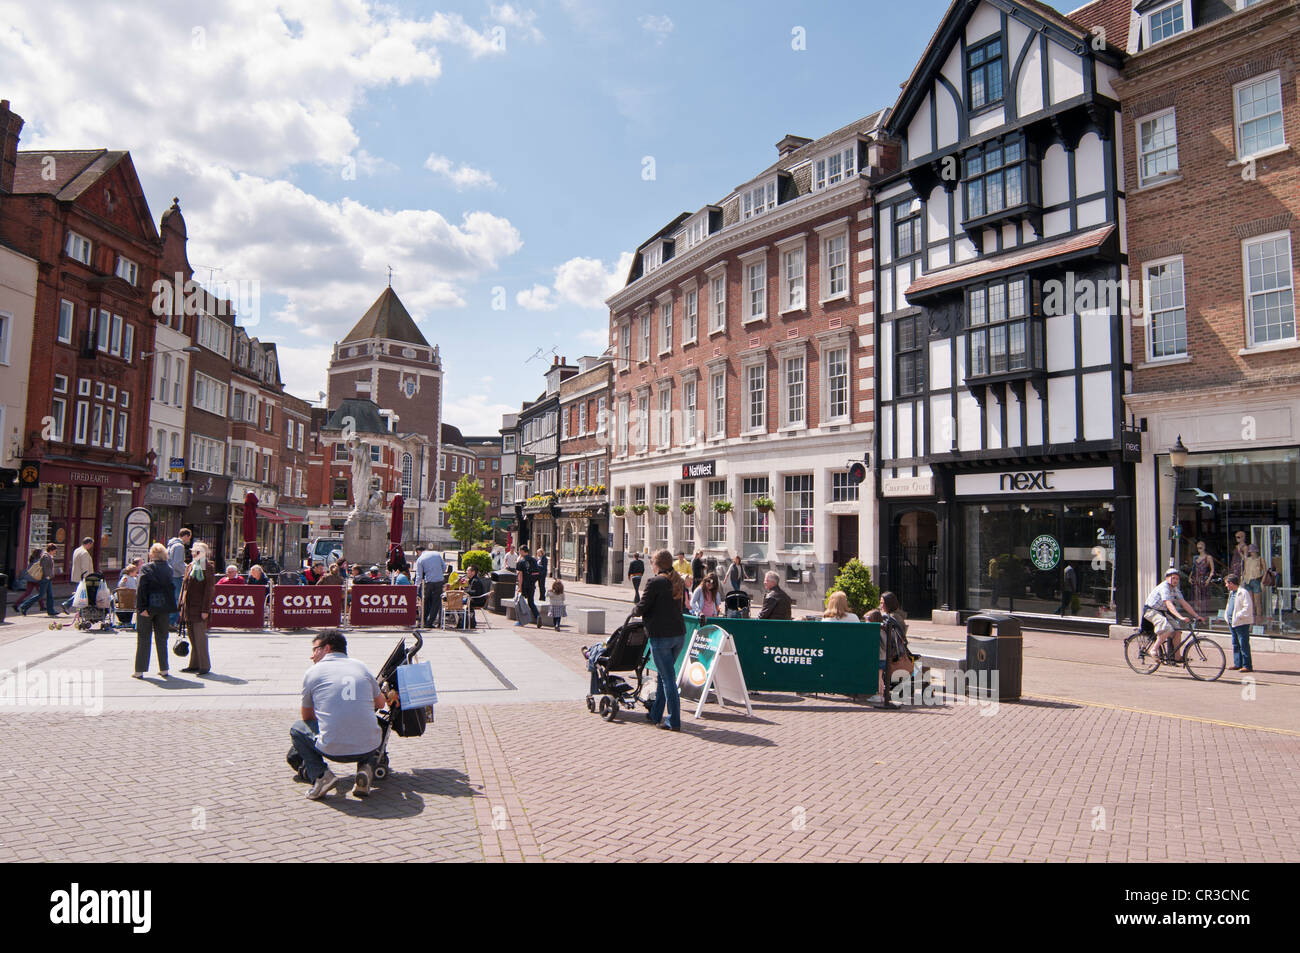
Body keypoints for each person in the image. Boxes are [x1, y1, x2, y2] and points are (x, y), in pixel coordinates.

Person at [291, 629, 386, 800]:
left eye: (314, 650)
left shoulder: (313, 672)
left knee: (297, 729)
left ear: (326, 648)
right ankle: (366, 768)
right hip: (367, 746)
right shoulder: (361, 667)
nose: (312, 656)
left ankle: (321, 776)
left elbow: (307, 718)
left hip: (333, 749)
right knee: (371, 726)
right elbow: (381, 704)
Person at [636, 550, 688, 732]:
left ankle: (674, 721)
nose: (650, 565)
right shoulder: (677, 580)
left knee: (668, 679)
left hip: (661, 637)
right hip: (678, 635)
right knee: (664, 676)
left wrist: (634, 610)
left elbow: (642, 607)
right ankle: (656, 714)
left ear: (656, 564)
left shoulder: (655, 582)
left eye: (651, 562)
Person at [1143, 567, 1204, 663]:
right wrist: (1180, 617)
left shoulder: (1175, 589)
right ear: (1167, 578)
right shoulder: (1164, 587)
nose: (1175, 580)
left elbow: (1184, 603)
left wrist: (1196, 616)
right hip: (1151, 611)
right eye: (1173, 578)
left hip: (1162, 611)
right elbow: (1169, 604)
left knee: (1178, 631)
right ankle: (1153, 650)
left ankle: (1177, 657)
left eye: (1177, 578)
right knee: (1167, 628)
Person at [134, 543, 176, 679]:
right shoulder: (169, 569)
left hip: (148, 607)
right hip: (164, 608)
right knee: (162, 637)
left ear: (152, 554)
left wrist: (141, 608)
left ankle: (139, 670)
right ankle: (164, 668)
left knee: (144, 638)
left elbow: (141, 588)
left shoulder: (146, 568)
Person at [179, 541, 216, 675]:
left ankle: (204, 665)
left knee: (200, 637)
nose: (194, 554)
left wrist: (205, 610)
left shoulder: (207, 566)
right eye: (193, 551)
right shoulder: (190, 566)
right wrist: (180, 605)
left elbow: (209, 590)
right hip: (188, 607)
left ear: (205, 554)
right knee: (192, 637)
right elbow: (184, 587)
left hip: (199, 607)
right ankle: (194, 664)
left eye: (198, 552)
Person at [878, 592, 910, 706]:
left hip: (892, 651)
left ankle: (879, 691)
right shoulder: (896, 616)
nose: (880, 605)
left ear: (888, 604)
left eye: (882, 603)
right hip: (895, 649)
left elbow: (888, 640)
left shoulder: (891, 618)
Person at [1223, 573, 1254, 673]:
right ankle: (1237, 663)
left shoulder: (1243, 592)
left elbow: (1247, 607)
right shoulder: (1232, 593)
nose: (1226, 586)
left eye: (1227, 584)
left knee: (1243, 644)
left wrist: (1238, 615)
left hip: (1241, 623)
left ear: (1231, 583)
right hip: (1233, 623)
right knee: (1235, 643)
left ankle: (1247, 665)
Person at [413, 543, 448, 628]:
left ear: (418, 552)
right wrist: (438, 573)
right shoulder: (436, 554)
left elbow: (419, 576)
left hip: (428, 583)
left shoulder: (420, 559)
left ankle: (423, 621)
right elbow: (444, 567)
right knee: (436, 603)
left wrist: (416, 587)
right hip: (439, 581)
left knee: (425, 602)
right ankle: (430, 622)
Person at [60, 536, 96, 615]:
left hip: (76, 575)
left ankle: (78, 610)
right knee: (82, 593)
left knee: (80, 593)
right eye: (91, 545)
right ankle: (67, 604)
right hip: (83, 577)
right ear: (89, 544)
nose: (91, 547)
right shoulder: (84, 553)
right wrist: (88, 577)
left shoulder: (77, 550)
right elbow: (85, 567)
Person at [18, 545, 58, 617]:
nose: (55, 552)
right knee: (40, 595)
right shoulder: (46, 557)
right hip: (45, 579)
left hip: (47, 579)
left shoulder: (48, 556)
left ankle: (51, 610)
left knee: (50, 595)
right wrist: (48, 576)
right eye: (55, 550)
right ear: (51, 550)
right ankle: (24, 606)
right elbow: (45, 568)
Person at [165, 528, 192, 625]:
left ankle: (168, 620)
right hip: (176, 576)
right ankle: (172, 621)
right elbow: (177, 563)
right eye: (189, 538)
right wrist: (186, 572)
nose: (188, 540)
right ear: (186, 536)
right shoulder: (179, 546)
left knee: (172, 598)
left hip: (170, 575)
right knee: (177, 599)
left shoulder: (171, 545)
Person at [515, 545, 541, 627]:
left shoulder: (521, 562)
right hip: (532, 584)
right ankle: (537, 616)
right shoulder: (533, 560)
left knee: (519, 603)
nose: (519, 552)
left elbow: (520, 575)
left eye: (519, 551)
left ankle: (521, 621)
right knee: (531, 602)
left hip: (524, 584)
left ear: (522, 551)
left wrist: (520, 587)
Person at [1242, 544, 1266, 616]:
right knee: (1250, 601)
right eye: (1251, 551)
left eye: (1253, 551)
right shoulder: (1247, 560)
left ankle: (1259, 617)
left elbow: (1265, 571)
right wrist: (1242, 579)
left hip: (1256, 580)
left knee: (1257, 602)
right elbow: (1245, 570)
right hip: (1247, 580)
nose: (1252, 553)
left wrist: (1262, 582)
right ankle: (1252, 617)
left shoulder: (1260, 559)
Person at [464, 564, 490, 629]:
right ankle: (465, 622)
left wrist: (465, 592)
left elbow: (476, 593)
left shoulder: (476, 581)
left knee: (459, 602)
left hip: (478, 601)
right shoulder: (473, 580)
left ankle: (466, 622)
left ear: (473, 572)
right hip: (475, 599)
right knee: (461, 601)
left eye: (468, 570)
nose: (466, 572)